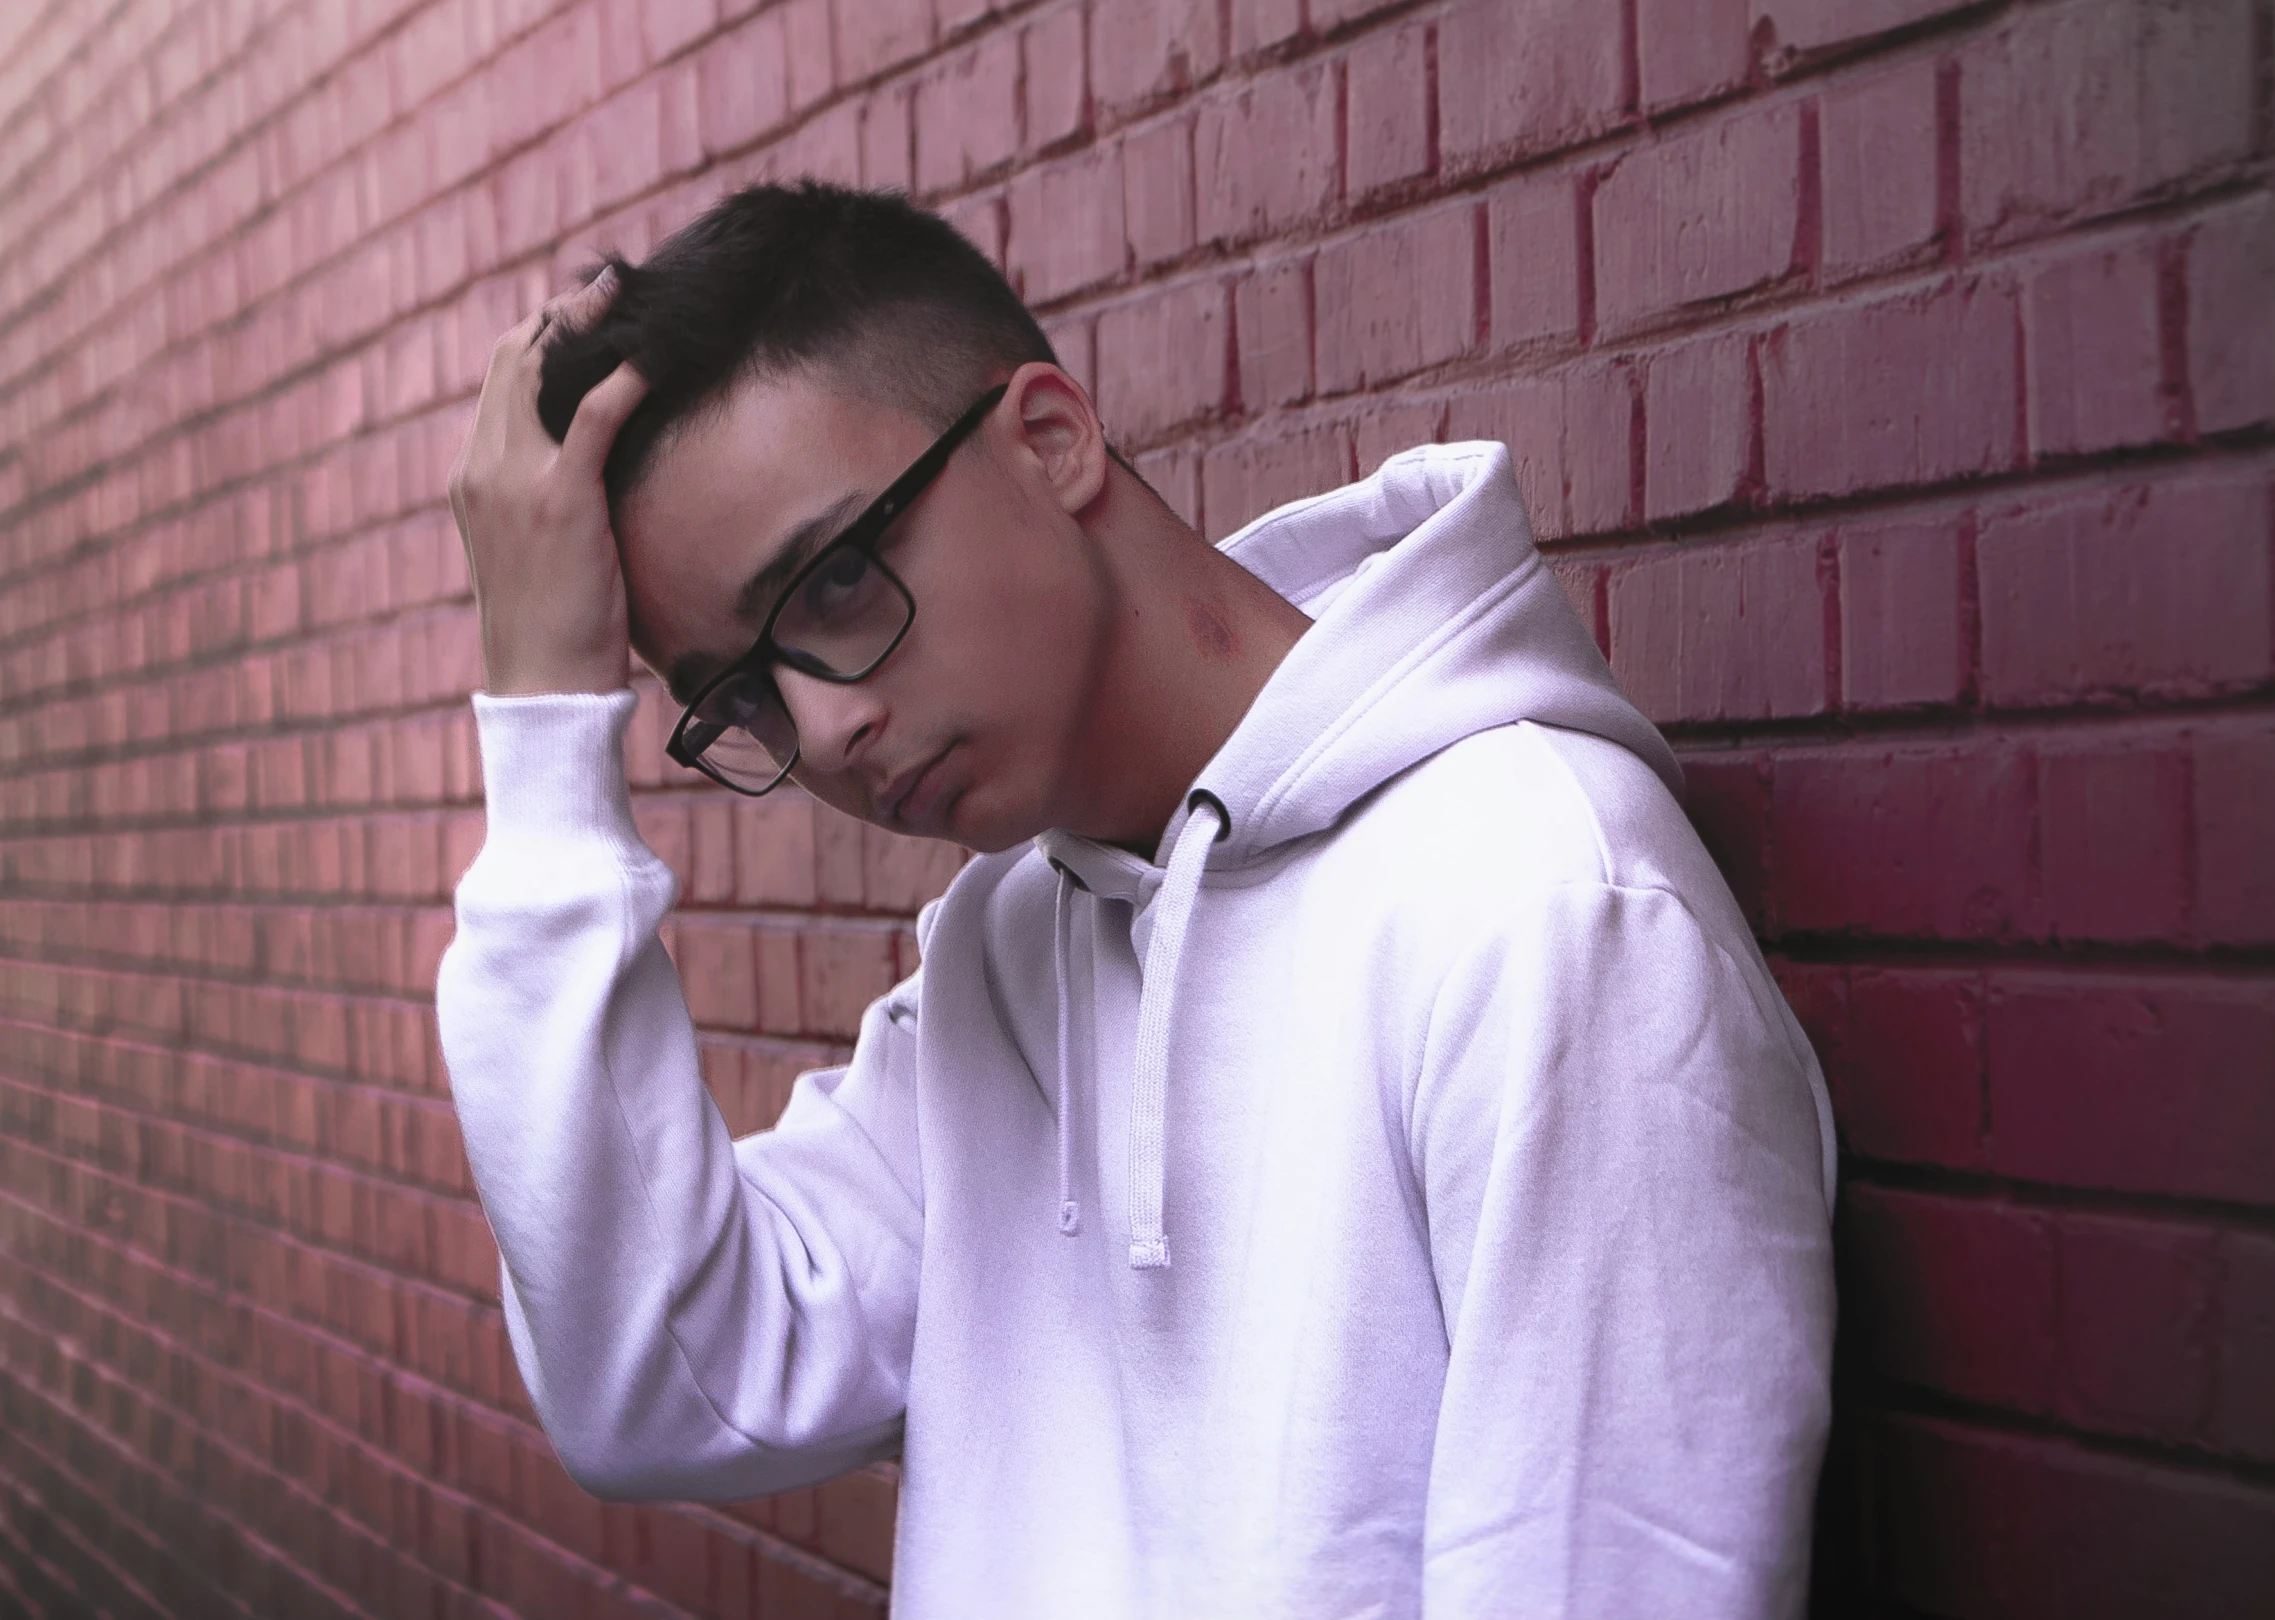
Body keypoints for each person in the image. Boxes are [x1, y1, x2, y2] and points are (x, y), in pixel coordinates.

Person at [437, 179, 1837, 1618]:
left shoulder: (1544, 904)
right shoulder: (1004, 948)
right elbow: (662, 1385)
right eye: (739, 693)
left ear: (1049, 438)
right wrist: (544, 729)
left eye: (838, 581)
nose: (825, 728)